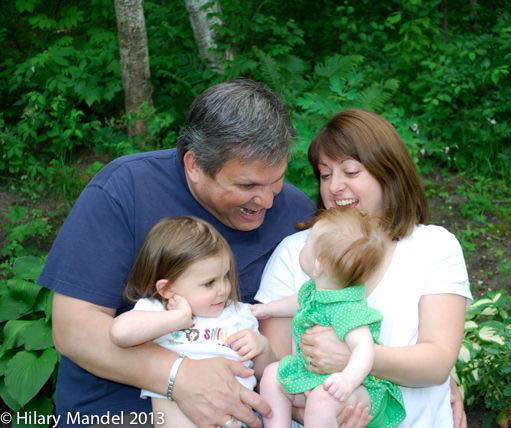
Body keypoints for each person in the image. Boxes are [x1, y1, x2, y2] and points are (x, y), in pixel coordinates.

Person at [38, 78, 315, 428]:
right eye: (247, 185)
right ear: (194, 165)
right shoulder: (125, 189)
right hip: (119, 413)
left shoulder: (295, 213)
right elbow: (74, 329)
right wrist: (178, 376)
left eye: (276, 181)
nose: (267, 201)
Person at [255, 109, 473, 427]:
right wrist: (313, 412)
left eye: (351, 172)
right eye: (325, 175)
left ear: (388, 172)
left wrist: (354, 358)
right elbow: (274, 365)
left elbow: (437, 363)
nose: (335, 186)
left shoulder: (434, 247)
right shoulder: (296, 251)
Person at [110, 216, 274, 427]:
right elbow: (119, 333)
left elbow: (264, 374)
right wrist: (179, 318)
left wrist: (262, 348)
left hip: (236, 417)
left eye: (226, 276)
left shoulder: (239, 314)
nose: (224, 289)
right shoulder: (159, 313)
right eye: (209, 283)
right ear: (167, 289)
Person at [253, 208, 405, 427]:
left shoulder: (348, 308)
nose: (302, 246)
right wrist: (268, 309)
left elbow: (364, 348)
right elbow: (297, 303)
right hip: (314, 376)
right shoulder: (313, 291)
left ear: (318, 265)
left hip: (358, 387)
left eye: (307, 243)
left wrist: (348, 379)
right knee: (271, 375)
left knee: (321, 399)